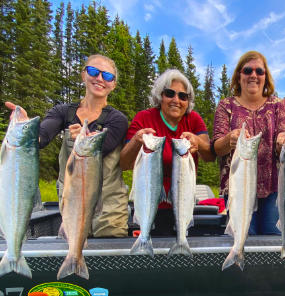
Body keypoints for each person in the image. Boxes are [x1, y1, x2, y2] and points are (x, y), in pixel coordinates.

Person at [6, 54, 129, 237]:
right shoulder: (62, 112)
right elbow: (42, 137)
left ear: (113, 84)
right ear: (83, 75)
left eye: (108, 76)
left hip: (109, 210)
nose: (100, 79)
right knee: (74, 252)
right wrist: (25, 129)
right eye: (94, 72)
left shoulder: (117, 119)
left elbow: (101, 148)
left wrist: (85, 139)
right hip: (72, 203)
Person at [120, 69, 213, 235]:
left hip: (183, 202)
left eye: (183, 96)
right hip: (150, 203)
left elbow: (209, 155)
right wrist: (136, 140)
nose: (176, 100)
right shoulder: (143, 118)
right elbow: (125, 163)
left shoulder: (194, 119)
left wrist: (197, 141)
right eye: (170, 93)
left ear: (188, 101)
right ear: (160, 96)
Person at [212, 50, 285, 235]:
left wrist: (284, 140)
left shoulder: (279, 106)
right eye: (247, 70)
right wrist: (229, 140)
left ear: (266, 77)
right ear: (239, 76)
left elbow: (284, 132)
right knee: (242, 237)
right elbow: (216, 147)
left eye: (259, 71)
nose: (253, 75)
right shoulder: (226, 106)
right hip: (237, 188)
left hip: (273, 189)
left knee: (273, 241)